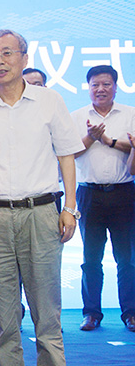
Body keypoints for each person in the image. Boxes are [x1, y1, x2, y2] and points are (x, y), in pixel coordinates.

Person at [0, 29, 83, 365]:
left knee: (47, 310)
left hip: (41, 213)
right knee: (4, 313)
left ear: (24, 58)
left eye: (7, 53)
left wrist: (70, 207)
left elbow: (67, 155)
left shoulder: (50, 101)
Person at [71, 65, 135, 333]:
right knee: (91, 259)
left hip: (124, 193)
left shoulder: (130, 114)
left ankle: (131, 313)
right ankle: (91, 313)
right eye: (95, 85)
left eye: (106, 84)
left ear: (116, 87)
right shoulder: (77, 117)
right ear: (88, 88)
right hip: (89, 194)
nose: (100, 89)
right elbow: (70, 152)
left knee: (127, 259)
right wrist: (91, 137)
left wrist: (108, 140)